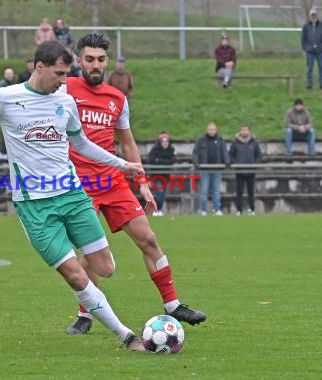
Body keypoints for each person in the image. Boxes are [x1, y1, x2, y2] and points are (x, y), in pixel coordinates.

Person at [0, 41, 147, 351]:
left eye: (66, 75)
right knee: (76, 277)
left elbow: (82, 144)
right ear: (39, 67)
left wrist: (121, 164)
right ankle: (127, 336)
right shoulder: (7, 98)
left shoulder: (64, 101)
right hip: (35, 206)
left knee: (105, 268)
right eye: (59, 74)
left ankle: (72, 261)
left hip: (73, 195)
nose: (64, 82)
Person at [63, 33, 206, 335]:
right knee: (91, 252)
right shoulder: (64, 88)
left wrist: (142, 183)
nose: (95, 65)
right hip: (78, 185)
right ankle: (85, 314)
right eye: (89, 59)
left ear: (108, 62)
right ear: (79, 61)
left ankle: (172, 305)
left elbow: (127, 144)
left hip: (113, 182)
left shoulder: (117, 98)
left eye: (101, 59)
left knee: (149, 239)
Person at [192, 122, 229, 216]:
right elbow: (196, 152)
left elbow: (224, 151)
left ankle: (217, 209)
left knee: (216, 190)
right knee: (204, 190)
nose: (212, 131)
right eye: (210, 129)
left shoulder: (220, 139)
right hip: (205, 169)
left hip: (217, 169)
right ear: (207, 130)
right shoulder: (201, 140)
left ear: (216, 130)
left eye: (213, 129)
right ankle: (203, 209)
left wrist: (227, 161)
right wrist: (196, 162)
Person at [229, 125, 262, 216]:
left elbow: (259, 156)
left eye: (246, 130)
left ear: (249, 131)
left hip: (251, 171)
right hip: (239, 171)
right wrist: (235, 163)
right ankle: (239, 210)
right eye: (242, 130)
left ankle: (252, 209)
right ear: (240, 131)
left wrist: (255, 164)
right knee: (239, 191)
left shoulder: (254, 142)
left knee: (251, 191)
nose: (244, 132)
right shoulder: (235, 143)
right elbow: (231, 155)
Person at [147, 132, 176, 217]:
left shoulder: (171, 149)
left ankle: (158, 209)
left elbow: (173, 160)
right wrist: (164, 162)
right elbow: (151, 160)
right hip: (156, 175)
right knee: (159, 192)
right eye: (163, 142)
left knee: (163, 194)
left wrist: (159, 161)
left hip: (166, 175)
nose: (165, 144)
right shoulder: (155, 149)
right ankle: (156, 210)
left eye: (166, 142)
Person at [301, 8, 322, 90]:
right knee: (309, 68)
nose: (313, 17)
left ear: (317, 15)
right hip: (310, 51)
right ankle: (309, 84)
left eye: (314, 15)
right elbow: (303, 38)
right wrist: (305, 48)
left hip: (320, 51)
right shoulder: (306, 26)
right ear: (309, 16)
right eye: (312, 15)